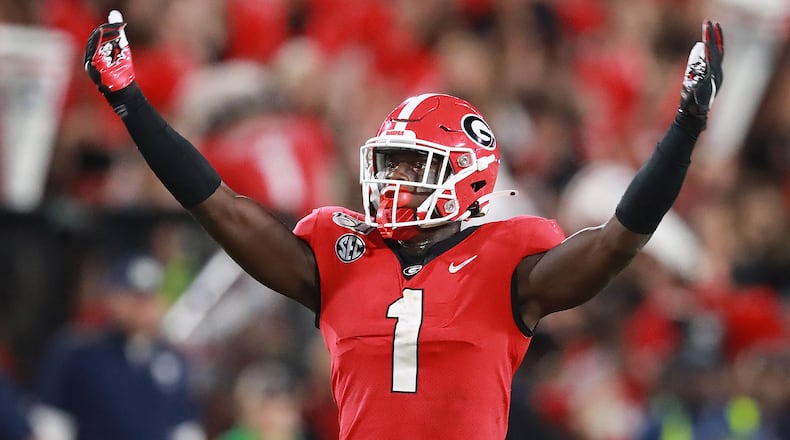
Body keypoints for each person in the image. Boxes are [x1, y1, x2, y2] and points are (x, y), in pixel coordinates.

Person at [83, 10, 724, 439]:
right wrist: (129, 99)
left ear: (468, 174)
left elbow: (618, 240)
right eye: (389, 164)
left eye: (414, 166)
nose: (394, 182)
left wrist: (685, 126)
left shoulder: (510, 259)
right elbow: (218, 206)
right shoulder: (341, 253)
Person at [35, 253, 205, 440]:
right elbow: (52, 421)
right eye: (135, 297)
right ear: (112, 297)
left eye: (150, 297)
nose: (143, 306)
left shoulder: (171, 358)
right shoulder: (80, 353)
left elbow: (183, 426)